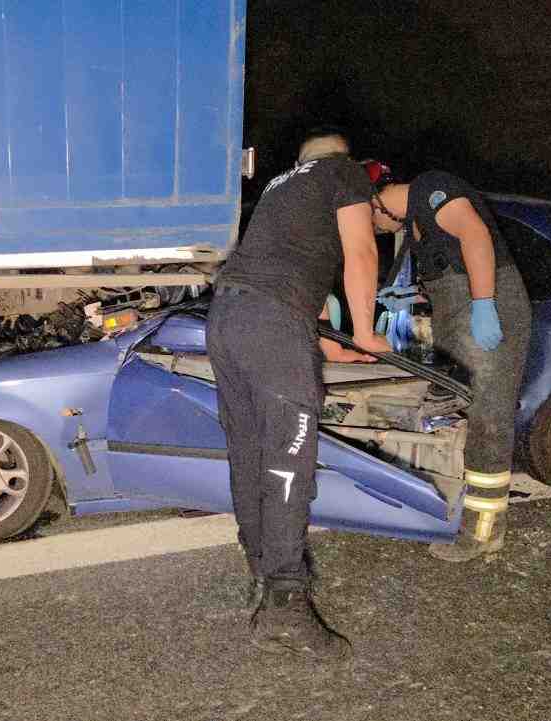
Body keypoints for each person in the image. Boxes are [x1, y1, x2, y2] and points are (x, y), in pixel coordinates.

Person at [208, 128, 390, 659]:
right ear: (344, 155)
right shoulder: (343, 172)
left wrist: (321, 347)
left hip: (228, 317)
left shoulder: (279, 187)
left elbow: (287, 279)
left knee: (249, 450)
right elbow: (360, 251)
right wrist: (364, 329)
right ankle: (285, 602)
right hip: (269, 320)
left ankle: (262, 575)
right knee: (290, 453)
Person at [367, 165, 533, 562]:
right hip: (460, 318)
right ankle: (462, 511)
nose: (373, 230)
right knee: (465, 416)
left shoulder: (432, 189)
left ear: (375, 201)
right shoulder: (415, 222)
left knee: (489, 421)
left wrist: (484, 304)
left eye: (369, 221)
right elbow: (449, 269)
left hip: (491, 310)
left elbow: (475, 236)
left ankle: (484, 531)